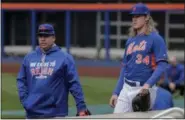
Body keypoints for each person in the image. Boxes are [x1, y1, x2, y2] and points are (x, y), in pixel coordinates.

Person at [16, 24, 90, 118]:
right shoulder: (29, 57)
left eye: (46, 36)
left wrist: (81, 107)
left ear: (53, 38)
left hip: (55, 113)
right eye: (40, 36)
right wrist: (25, 101)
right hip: (32, 114)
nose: (42, 39)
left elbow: (74, 84)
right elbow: (21, 80)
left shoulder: (65, 58)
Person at [109, 3, 169, 113]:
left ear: (146, 18)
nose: (134, 19)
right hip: (126, 87)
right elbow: (125, 68)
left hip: (144, 90)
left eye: (138, 16)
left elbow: (162, 65)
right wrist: (116, 92)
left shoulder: (156, 38)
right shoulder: (130, 41)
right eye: (133, 16)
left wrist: (148, 85)